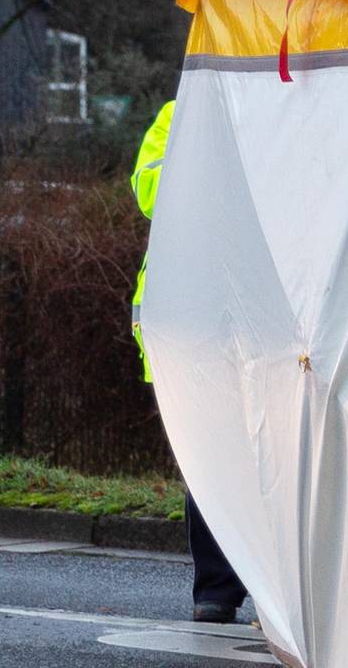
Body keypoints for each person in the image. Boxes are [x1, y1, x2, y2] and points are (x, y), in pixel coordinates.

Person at [131, 100, 249, 626]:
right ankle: (219, 589)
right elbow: (149, 192)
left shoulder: (276, 104)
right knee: (211, 465)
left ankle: (272, 590)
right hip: (195, 325)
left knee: (272, 459)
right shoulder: (180, 113)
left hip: (252, 316)